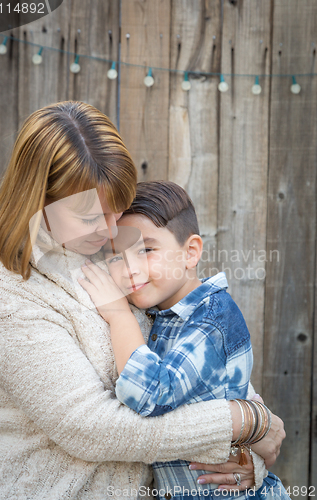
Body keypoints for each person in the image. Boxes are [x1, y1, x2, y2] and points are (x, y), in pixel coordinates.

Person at [0, 101, 285, 500]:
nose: (111, 230)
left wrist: (256, 434)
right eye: (92, 217)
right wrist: (239, 423)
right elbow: (92, 428)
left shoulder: (107, 248)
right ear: (37, 200)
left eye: (117, 209)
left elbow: (190, 351)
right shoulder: (5, 291)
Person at [79, 181, 290, 500]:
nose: (130, 269)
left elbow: (151, 395)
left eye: (146, 250)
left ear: (190, 253)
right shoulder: (160, 315)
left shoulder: (213, 315)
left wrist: (118, 315)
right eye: (115, 257)